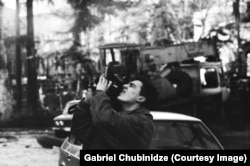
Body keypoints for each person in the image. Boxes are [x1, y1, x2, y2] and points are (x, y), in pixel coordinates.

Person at [70, 74, 158, 149]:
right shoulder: (118, 116)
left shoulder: (142, 122)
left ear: (141, 98)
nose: (124, 86)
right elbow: (81, 131)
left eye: (131, 86)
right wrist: (86, 102)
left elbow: (104, 120)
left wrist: (100, 92)